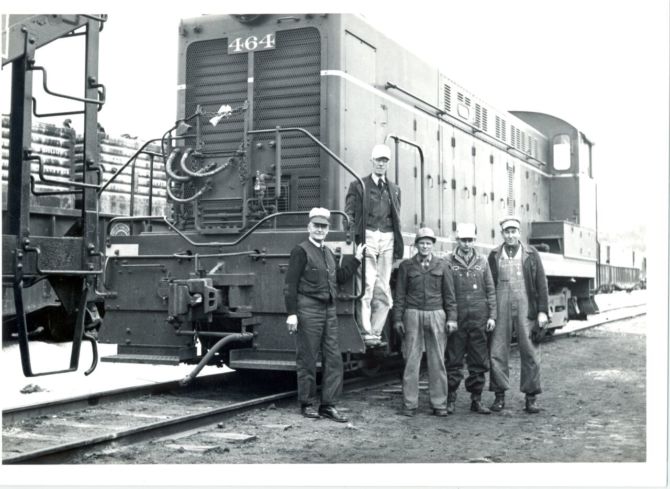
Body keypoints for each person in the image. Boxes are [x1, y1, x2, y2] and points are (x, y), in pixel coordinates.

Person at [284, 207, 365, 422]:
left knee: (333, 358)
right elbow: (290, 285)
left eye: (324, 226)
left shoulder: (328, 252)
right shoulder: (300, 251)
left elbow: (339, 277)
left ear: (328, 229)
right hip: (308, 308)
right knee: (308, 358)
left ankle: (328, 405)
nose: (320, 230)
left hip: (329, 310)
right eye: (316, 226)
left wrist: (356, 259)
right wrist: (292, 314)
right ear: (309, 227)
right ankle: (307, 403)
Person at [487, 216, 549, 414]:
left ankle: (531, 398)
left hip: (526, 305)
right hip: (500, 304)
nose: (511, 235)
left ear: (519, 233)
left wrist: (542, 311)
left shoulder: (532, 254)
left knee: (530, 350)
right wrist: (490, 313)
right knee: (497, 350)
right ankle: (499, 395)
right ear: (502, 234)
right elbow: (488, 286)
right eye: (507, 232)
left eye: (514, 231)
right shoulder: (494, 255)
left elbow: (542, 284)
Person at [393, 227, 456, 416]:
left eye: (428, 243)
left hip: (436, 314)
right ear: (416, 245)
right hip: (412, 314)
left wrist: (452, 318)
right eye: (422, 243)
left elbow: (450, 296)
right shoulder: (406, 266)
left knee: (437, 361)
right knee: (412, 360)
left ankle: (439, 404)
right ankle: (410, 404)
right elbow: (400, 295)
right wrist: (397, 318)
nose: (425, 246)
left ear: (433, 245)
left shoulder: (443, 266)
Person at [344, 144, 403, 346]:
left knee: (383, 287)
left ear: (388, 163)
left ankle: (376, 331)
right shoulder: (358, 185)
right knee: (366, 285)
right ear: (372, 161)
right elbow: (349, 214)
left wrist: (397, 244)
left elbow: (396, 216)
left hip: (387, 237)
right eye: (378, 160)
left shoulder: (394, 189)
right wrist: (353, 238)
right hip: (367, 236)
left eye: (385, 160)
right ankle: (366, 330)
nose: (381, 163)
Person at [444, 223, 497, 415]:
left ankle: (476, 400)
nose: (466, 244)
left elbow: (490, 290)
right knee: (453, 360)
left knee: (478, 361)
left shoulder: (482, 261)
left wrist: (492, 316)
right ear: (457, 240)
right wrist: (451, 317)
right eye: (463, 240)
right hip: (457, 319)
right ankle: (450, 399)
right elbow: (446, 292)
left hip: (478, 318)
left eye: (470, 240)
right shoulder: (448, 261)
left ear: (474, 240)